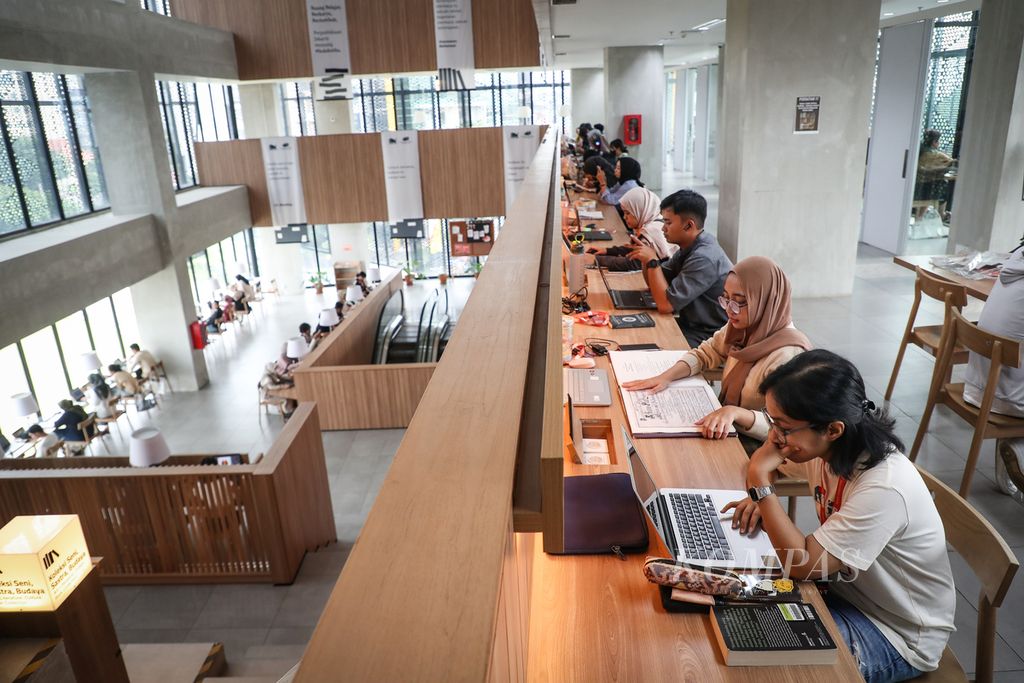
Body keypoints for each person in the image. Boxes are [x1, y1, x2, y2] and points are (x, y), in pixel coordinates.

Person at [721, 350, 955, 682]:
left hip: (896, 633)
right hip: (844, 595)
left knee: (765, 664)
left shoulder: (883, 487)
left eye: (783, 427)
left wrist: (760, 485)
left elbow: (804, 566)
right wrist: (764, 497)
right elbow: (776, 451)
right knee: (729, 612)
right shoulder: (832, 447)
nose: (774, 436)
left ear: (832, 429)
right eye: (771, 420)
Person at [623, 257, 812, 444]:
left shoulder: (788, 355)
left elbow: (787, 429)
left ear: (765, 301)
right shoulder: (743, 326)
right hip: (726, 426)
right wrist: (666, 376)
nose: (729, 310)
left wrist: (736, 413)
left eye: (739, 302)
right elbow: (707, 352)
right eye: (726, 298)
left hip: (763, 445)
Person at [627, 189, 732, 346]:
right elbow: (654, 284)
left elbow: (665, 305)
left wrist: (653, 262)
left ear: (689, 225)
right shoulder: (689, 246)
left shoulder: (704, 257)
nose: (663, 228)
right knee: (635, 334)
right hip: (691, 325)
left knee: (643, 343)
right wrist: (645, 258)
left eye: (668, 222)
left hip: (711, 334)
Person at [963, 249, 1024, 502]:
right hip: (1008, 397)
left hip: (979, 386)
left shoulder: (1016, 259)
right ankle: (1020, 451)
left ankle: (1014, 453)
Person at [591, 187, 675, 270]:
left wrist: (596, 260)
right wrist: (607, 251)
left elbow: (634, 263)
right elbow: (635, 250)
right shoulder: (654, 221)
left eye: (627, 213)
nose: (624, 217)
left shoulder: (650, 231)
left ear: (640, 210)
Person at [914, 129, 955, 222]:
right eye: (938, 141)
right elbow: (951, 161)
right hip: (926, 189)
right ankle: (942, 214)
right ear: (934, 142)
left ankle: (921, 216)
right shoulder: (935, 154)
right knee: (943, 185)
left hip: (916, 187)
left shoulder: (920, 151)